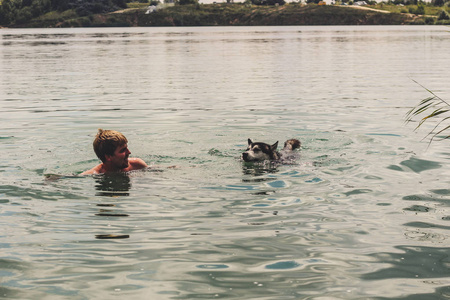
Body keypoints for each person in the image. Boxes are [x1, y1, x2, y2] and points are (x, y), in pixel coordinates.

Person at [81, 129, 148, 175]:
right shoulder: (94, 174)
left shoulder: (137, 165)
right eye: (122, 150)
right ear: (108, 157)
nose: (129, 152)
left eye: (127, 148)